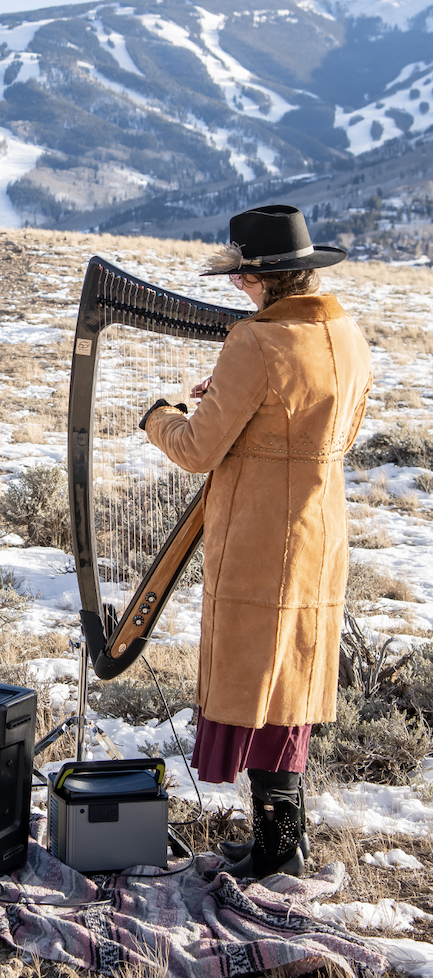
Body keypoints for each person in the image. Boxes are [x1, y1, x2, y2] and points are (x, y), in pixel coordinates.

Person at [139, 204, 372, 879]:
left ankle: (279, 850)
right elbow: (334, 428)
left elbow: (195, 448)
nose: (236, 289)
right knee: (289, 689)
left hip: (260, 536)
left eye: (240, 278)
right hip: (319, 528)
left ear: (259, 280)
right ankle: (283, 842)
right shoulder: (347, 334)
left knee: (262, 690)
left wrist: (161, 413)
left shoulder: (255, 343)